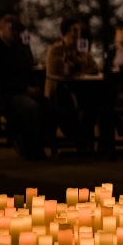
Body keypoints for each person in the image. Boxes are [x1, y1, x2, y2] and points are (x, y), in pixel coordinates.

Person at [0, 15, 53, 159]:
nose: (14, 33)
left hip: (24, 91)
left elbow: (29, 71)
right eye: (11, 30)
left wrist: (35, 87)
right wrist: (25, 89)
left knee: (50, 107)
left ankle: (33, 142)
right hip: (7, 94)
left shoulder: (21, 50)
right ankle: (32, 147)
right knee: (32, 108)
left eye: (16, 31)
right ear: (2, 29)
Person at [45, 17, 104, 152]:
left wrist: (77, 63)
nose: (77, 34)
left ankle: (89, 142)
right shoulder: (56, 50)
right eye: (75, 30)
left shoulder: (81, 49)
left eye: (79, 31)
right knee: (68, 102)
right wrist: (78, 65)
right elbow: (59, 73)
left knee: (95, 100)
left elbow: (94, 68)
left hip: (81, 91)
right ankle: (80, 139)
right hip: (59, 92)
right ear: (66, 32)